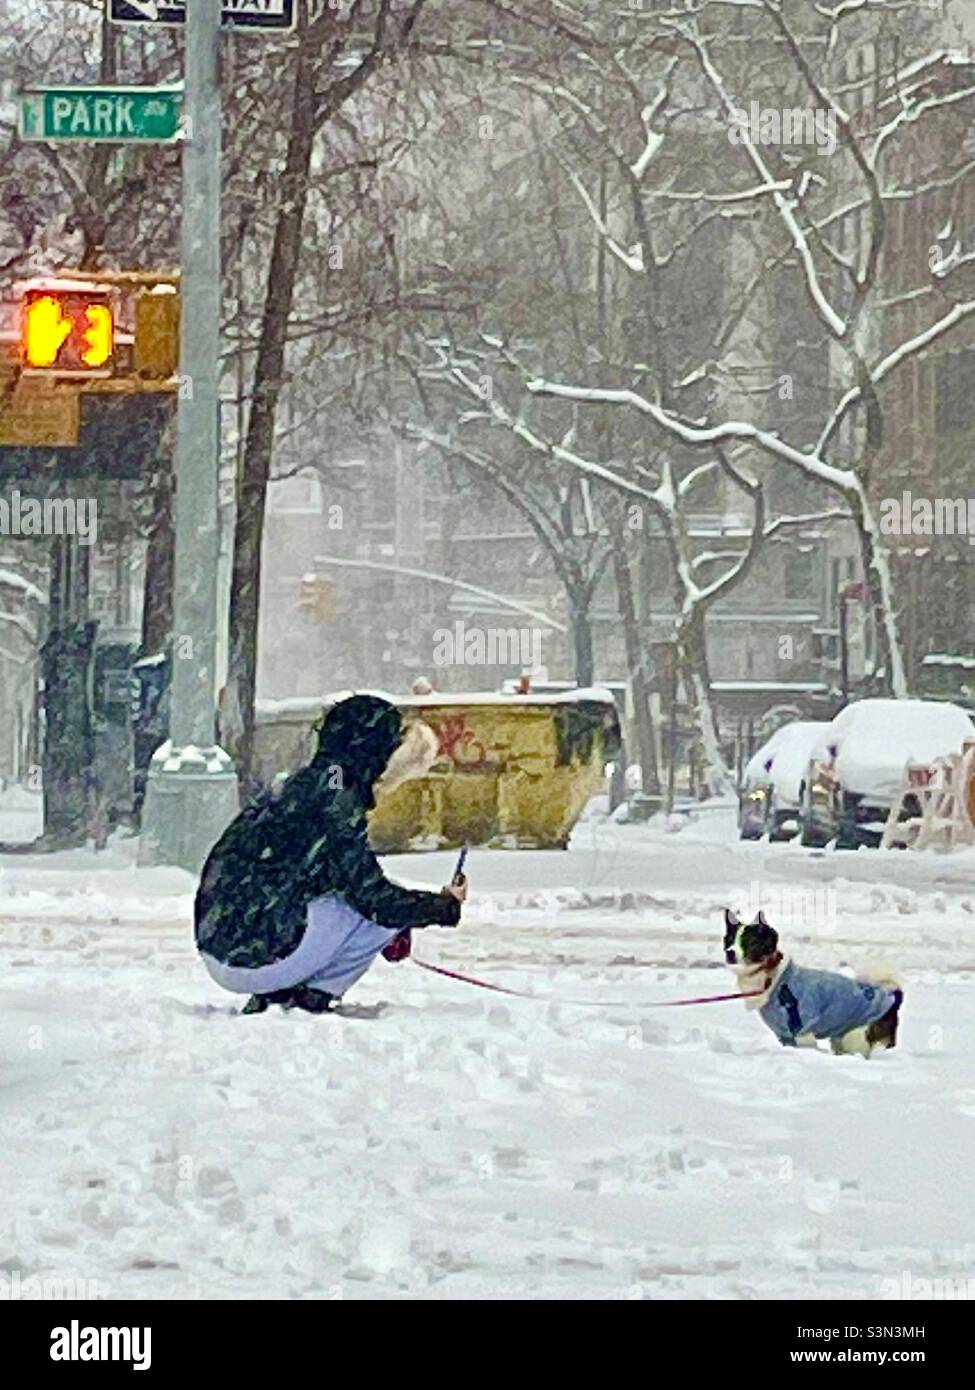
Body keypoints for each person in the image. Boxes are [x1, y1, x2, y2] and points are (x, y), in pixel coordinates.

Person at [194, 693, 465, 1014]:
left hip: (218, 951)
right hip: (257, 960)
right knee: (375, 915)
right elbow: (376, 901)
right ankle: (311, 995)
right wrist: (444, 906)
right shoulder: (337, 803)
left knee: (357, 901)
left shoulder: (301, 786)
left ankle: (282, 990)